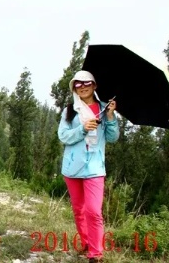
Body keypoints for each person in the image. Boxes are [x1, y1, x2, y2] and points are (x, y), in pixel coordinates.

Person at [58, 70, 119, 263]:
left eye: (86, 83)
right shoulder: (70, 110)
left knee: (93, 210)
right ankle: (85, 242)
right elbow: (63, 136)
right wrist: (83, 128)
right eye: (78, 84)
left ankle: (96, 253)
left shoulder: (104, 108)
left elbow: (112, 137)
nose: (82, 87)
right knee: (79, 209)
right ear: (74, 88)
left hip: (94, 168)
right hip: (72, 167)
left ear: (94, 86)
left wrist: (110, 117)